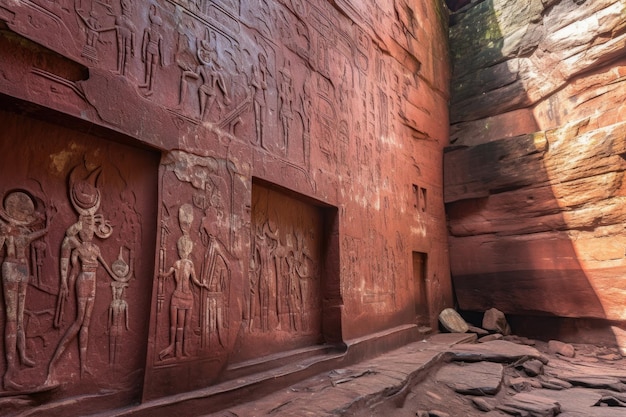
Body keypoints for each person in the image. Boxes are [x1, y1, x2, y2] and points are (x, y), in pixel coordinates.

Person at [0, 191, 49, 390]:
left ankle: (22, 355)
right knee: (12, 318)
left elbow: (43, 231)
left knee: (19, 317)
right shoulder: (6, 228)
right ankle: (9, 371)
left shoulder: (23, 232)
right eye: (21, 208)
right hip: (11, 268)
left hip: (22, 269)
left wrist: (49, 220)